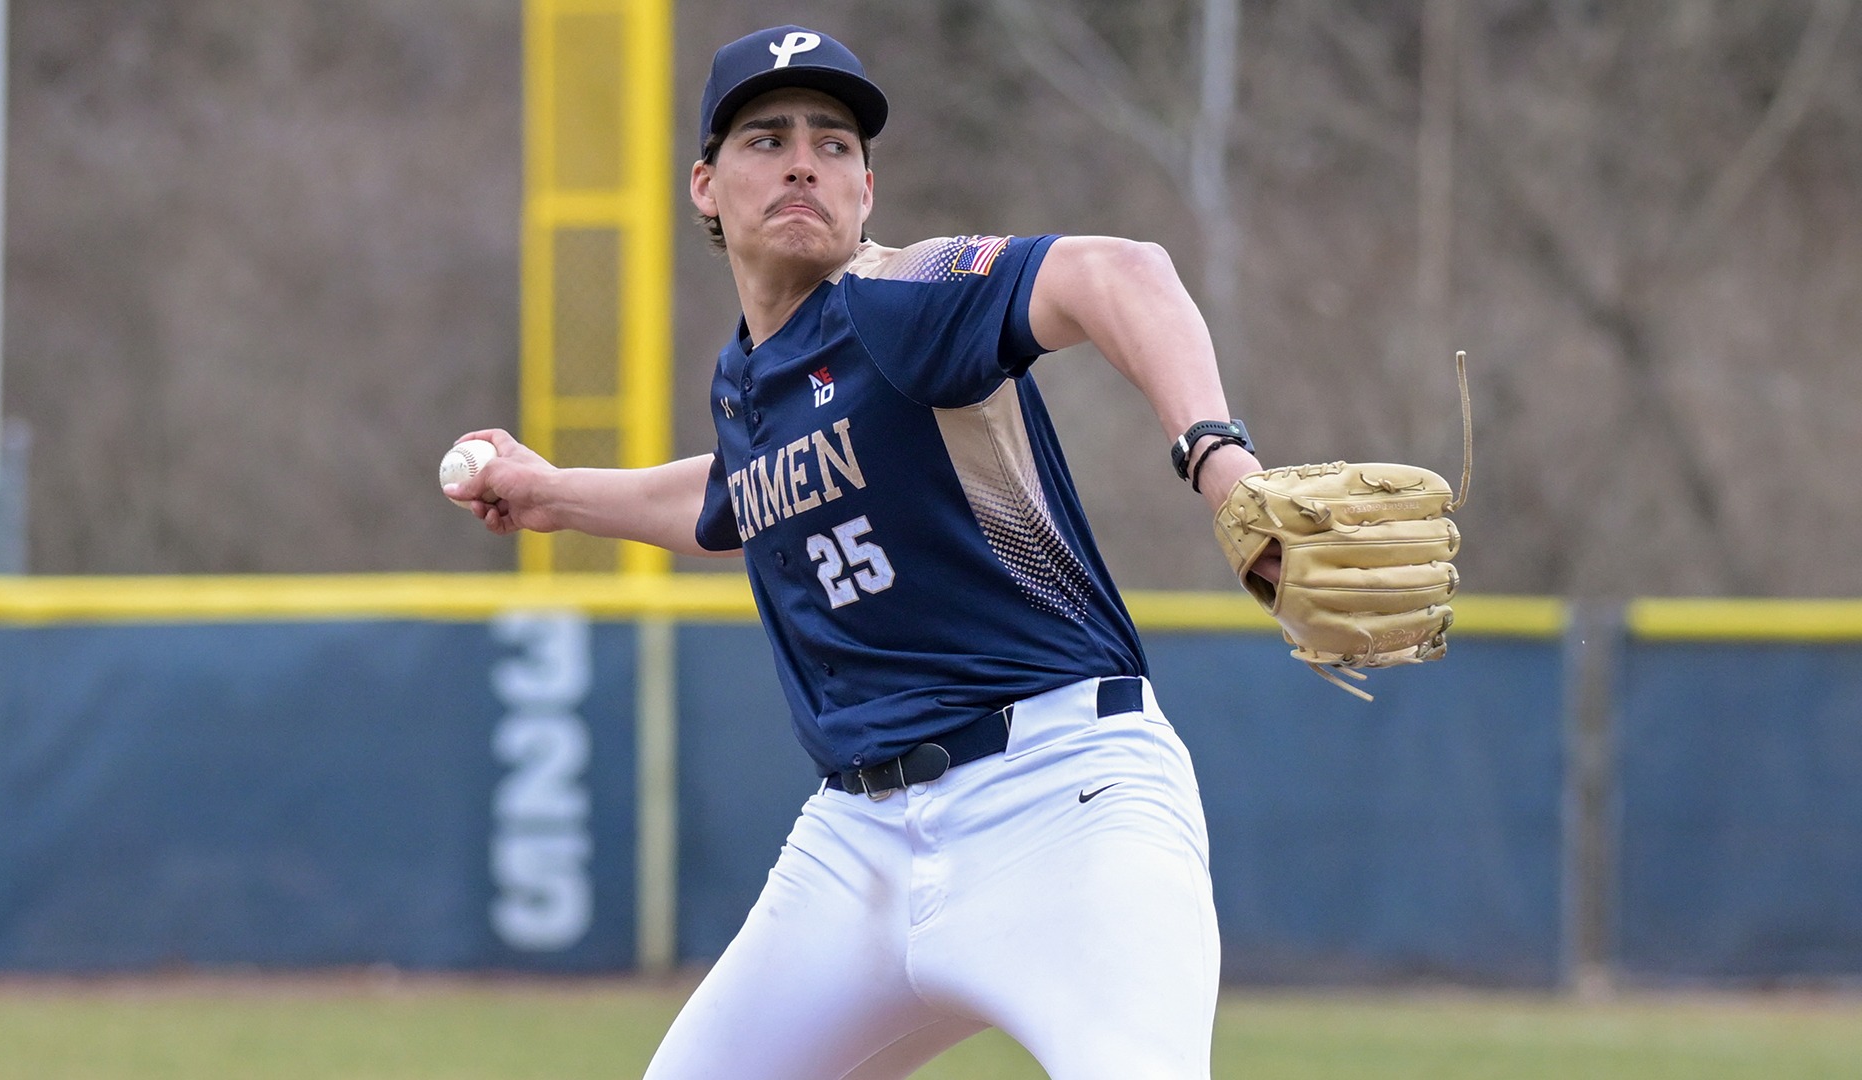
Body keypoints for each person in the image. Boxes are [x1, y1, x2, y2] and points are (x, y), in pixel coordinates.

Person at [445, 25, 1274, 1080]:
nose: (803, 162)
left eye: (833, 145)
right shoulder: (749, 379)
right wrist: (554, 493)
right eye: (767, 140)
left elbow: (1120, 271)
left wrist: (1218, 458)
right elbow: (737, 497)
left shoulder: (901, 299)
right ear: (705, 186)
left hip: (1062, 803)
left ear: (867, 189)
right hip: (858, 845)